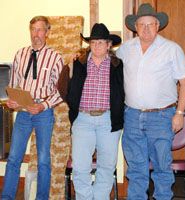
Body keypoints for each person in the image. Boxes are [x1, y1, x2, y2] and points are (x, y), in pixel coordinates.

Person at [116, 3, 185, 200]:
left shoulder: (171, 49)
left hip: (162, 116)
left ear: (158, 25)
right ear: (135, 27)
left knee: (162, 169)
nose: (146, 29)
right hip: (131, 116)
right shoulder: (125, 49)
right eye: (142, 24)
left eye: (151, 24)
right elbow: (108, 69)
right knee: (136, 169)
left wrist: (180, 114)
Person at [1, 16, 63, 200]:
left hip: (43, 112)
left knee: (43, 160)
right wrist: (12, 101)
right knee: (13, 158)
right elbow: (14, 84)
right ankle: (6, 197)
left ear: (47, 32)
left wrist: (43, 106)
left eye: (40, 30)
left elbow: (60, 91)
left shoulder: (55, 58)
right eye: (33, 30)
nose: (36, 34)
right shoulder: (20, 54)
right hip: (22, 112)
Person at [66, 23, 124, 200]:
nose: (97, 46)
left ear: (108, 45)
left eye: (101, 42)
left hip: (108, 120)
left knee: (106, 166)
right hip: (83, 120)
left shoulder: (118, 65)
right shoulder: (78, 63)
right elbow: (63, 88)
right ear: (89, 44)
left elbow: (123, 91)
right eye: (93, 42)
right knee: (81, 167)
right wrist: (68, 65)